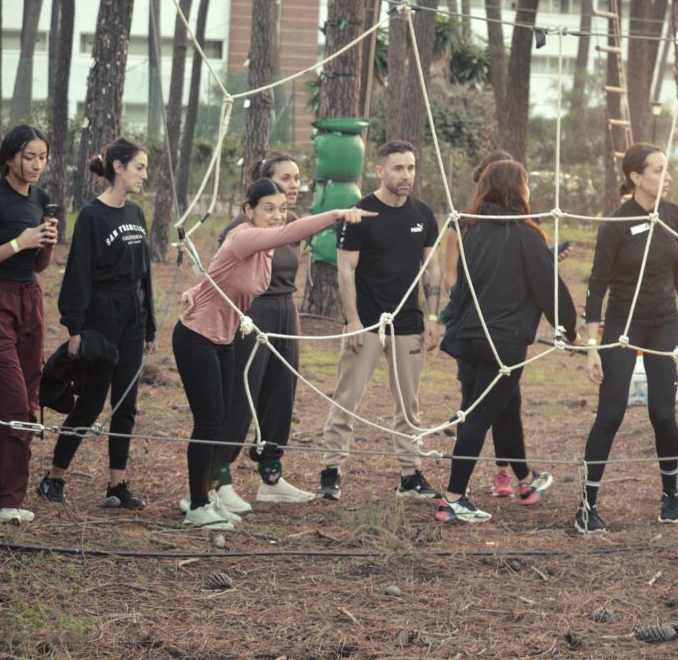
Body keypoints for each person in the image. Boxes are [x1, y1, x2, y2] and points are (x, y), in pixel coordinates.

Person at [173, 178, 372, 530]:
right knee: (208, 421)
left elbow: (219, 275)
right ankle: (198, 504)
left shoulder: (261, 251)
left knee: (219, 418)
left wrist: (194, 289)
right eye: (268, 208)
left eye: (282, 209)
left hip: (223, 338)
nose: (277, 216)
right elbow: (290, 232)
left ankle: (202, 494)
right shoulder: (245, 235)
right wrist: (338, 213)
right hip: (196, 336)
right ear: (248, 210)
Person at [436, 159, 577, 523]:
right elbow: (548, 286)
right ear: (517, 189)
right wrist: (568, 327)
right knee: (478, 417)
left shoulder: (473, 230)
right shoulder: (526, 233)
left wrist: (452, 323)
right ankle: (453, 499)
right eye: (526, 183)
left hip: (470, 338)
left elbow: (462, 285)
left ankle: (526, 481)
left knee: (505, 408)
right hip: (503, 343)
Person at [576, 143, 678, 533]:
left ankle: (670, 498)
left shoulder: (673, 214)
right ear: (635, 178)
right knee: (610, 413)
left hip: (663, 321)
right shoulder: (615, 223)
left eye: (667, 169)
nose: (666, 177)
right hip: (622, 326)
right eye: (658, 170)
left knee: (663, 413)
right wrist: (592, 347)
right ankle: (587, 505)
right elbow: (596, 286)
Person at [316, 140, 443, 501]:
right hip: (367, 322)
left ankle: (409, 475)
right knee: (347, 398)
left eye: (412, 167)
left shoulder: (423, 214)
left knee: (408, 403)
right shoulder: (360, 213)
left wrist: (432, 317)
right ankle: (331, 469)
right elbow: (345, 270)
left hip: (408, 323)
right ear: (380, 171)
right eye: (399, 168)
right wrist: (352, 320)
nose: (407, 175)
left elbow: (431, 267)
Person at [35, 139, 156, 510]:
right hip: (100, 318)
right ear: (117, 167)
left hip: (132, 318)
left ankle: (116, 484)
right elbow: (78, 274)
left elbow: (145, 274)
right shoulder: (91, 216)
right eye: (139, 167)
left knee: (126, 404)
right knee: (89, 402)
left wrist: (148, 322)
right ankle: (54, 477)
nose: (144, 175)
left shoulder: (136, 213)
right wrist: (75, 331)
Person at [208, 153, 314, 516]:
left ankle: (271, 476)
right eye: (286, 178)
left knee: (281, 392)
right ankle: (218, 479)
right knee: (242, 394)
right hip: (254, 314)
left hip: (286, 310)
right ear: (264, 183)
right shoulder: (241, 227)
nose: (294, 185)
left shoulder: (293, 224)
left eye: (297, 177)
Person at [0, 125, 58, 524]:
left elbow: (38, 265)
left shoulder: (41, 199)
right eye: (29, 156)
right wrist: (20, 241)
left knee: (27, 399)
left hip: (28, 299)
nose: (37, 165)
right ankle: (6, 500)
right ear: (9, 158)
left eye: (42, 157)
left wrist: (45, 243)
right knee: (9, 401)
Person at [443, 149, 525, 498]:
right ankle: (459, 490)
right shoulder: (462, 223)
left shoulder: (521, 226)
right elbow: (452, 275)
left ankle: (506, 473)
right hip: (471, 327)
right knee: (474, 402)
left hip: (505, 331)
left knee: (508, 404)